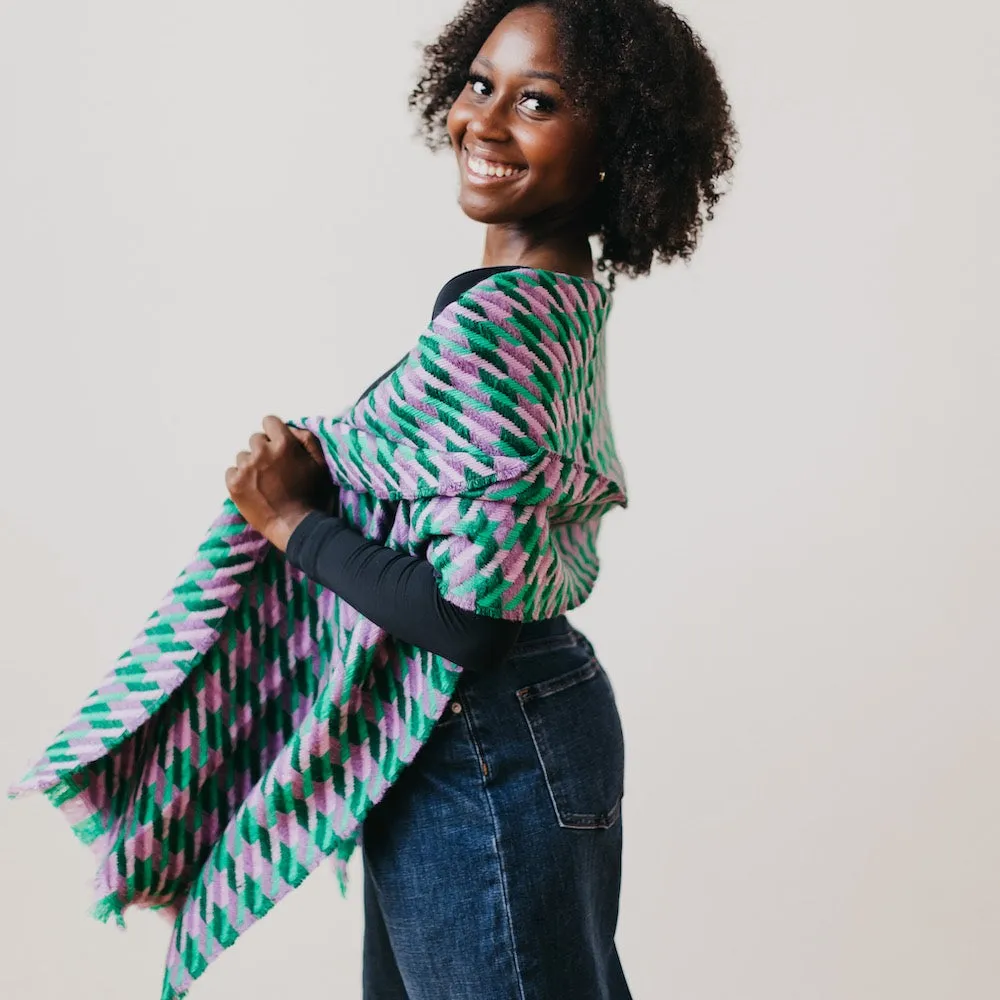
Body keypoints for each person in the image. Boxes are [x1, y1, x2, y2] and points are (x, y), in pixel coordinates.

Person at [224, 2, 737, 997]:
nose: (484, 121)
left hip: (485, 734)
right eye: (478, 84)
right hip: (485, 734)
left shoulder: (506, 328)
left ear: (613, 149)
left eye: (537, 102)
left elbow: (468, 617)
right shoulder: (536, 295)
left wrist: (289, 520)